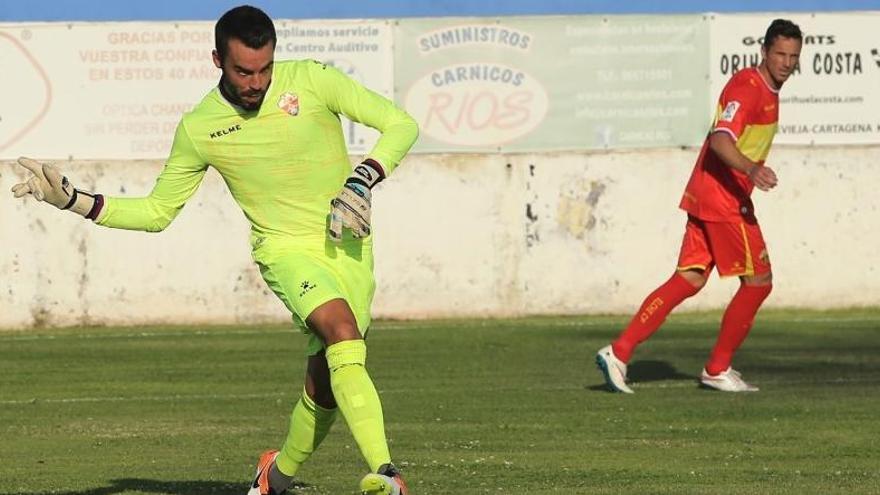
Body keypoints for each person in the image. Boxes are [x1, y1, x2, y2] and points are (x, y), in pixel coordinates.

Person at [11, 5, 418, 494]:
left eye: (265, 68)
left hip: (348, 246)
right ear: (217, 61)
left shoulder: (312, 80)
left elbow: (401, 125)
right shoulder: (200, 128)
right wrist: (74, 201)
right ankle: (387, 474)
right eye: (243, 71)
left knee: (326, 386)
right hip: (285, 251)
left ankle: (275, 477)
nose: (256, 82)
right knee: (342, 332)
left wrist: (364, 176)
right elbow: (157, 213)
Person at [596, 19, 802, 394]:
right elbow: (721, 140)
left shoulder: (768, 90)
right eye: (780, 54)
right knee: (759, 282)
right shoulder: (748, 87)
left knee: (689, 279)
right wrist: (752, 169)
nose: (786, 62)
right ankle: (717, 367)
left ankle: (619, 351)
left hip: (710, 194)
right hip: (722, 199)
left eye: (793, 56)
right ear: (764, 52)